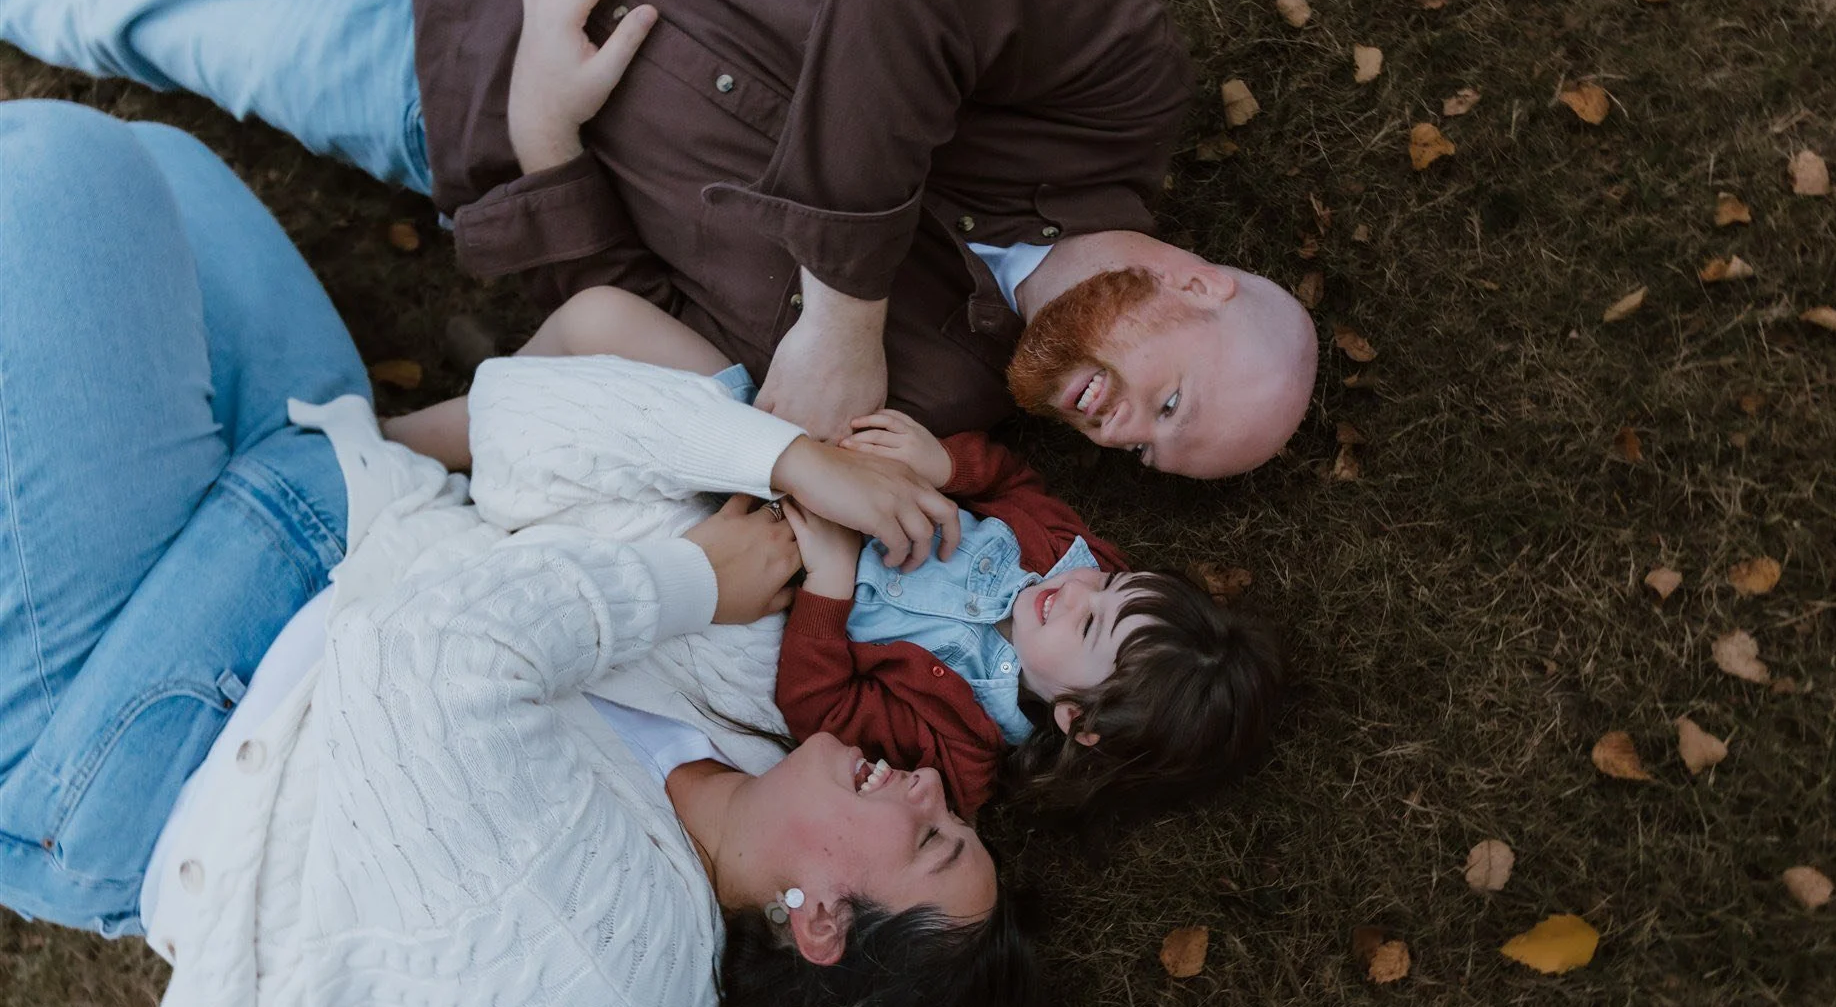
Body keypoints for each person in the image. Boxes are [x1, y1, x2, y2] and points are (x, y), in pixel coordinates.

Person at [0, 100, 1039, 1007]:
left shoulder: (618, 979)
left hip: (133, 730)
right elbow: (545, 428)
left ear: (823, 919)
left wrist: (693, 579)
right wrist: (784, 458)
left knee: (62, 169)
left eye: (930, 838)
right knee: (166, 169)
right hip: (329, 499)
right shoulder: (756, 710)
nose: (927, 786)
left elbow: (423, 660)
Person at [0, 0, 1319, 476]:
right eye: (1171, 404)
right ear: (1198, 284)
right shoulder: (1119, 93)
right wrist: (843, 314)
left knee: (96, 15)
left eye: (1149, 455)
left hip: (423, 87)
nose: (1122, 431)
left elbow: (628, 321)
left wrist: (542, 132)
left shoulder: (930, 403)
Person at [388, 287, 1287, 822]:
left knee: (569, 471)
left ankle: (430, 457)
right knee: (603, 320)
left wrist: (827, 581)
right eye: (1115, 583)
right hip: (782, 450)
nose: (1078, 587)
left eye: (1091, 626)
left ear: (1077, 721)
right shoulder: (1064, 552)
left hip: (752, 567)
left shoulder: (958, 749)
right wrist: (941, 464)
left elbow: (821, 706)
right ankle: (443, 424)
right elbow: (1008, 479)